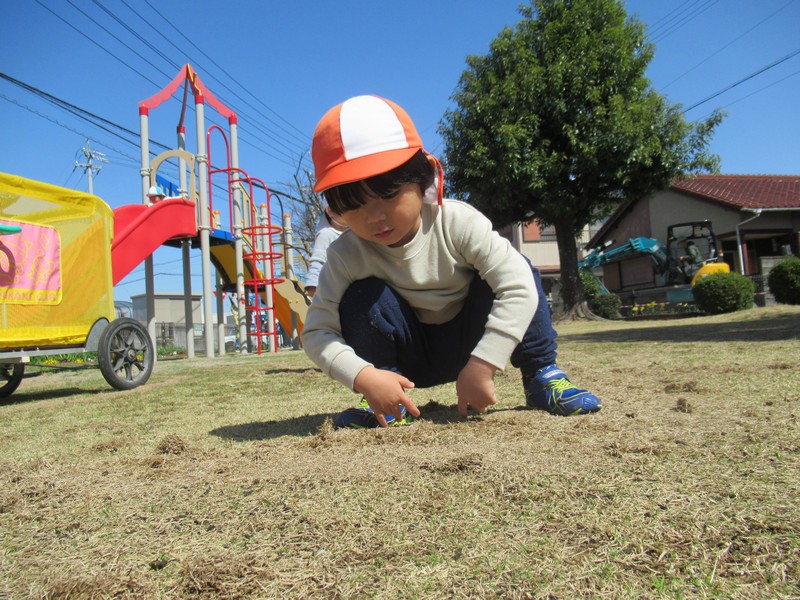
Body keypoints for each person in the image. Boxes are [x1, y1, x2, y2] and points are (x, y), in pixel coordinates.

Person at [301, 95, 602, 429]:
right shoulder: (344, 255)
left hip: (472, 341)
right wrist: (364, 376)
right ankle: (387, 401)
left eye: (388, 195)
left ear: (423, 179)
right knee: (362, 297)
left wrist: (484, 362)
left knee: (518, 268)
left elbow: (517, 285)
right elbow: (317, 331)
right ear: (336, 209)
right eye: (355, 205)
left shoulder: (455, 222)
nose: (375, 217)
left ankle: (542, 375)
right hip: (407, 360)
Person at [304, 204, 349, 299]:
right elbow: (318, 261)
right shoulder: (326, 234)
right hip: (336, 292)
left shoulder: (354, 233)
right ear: (330, 211)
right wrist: (314, 285)